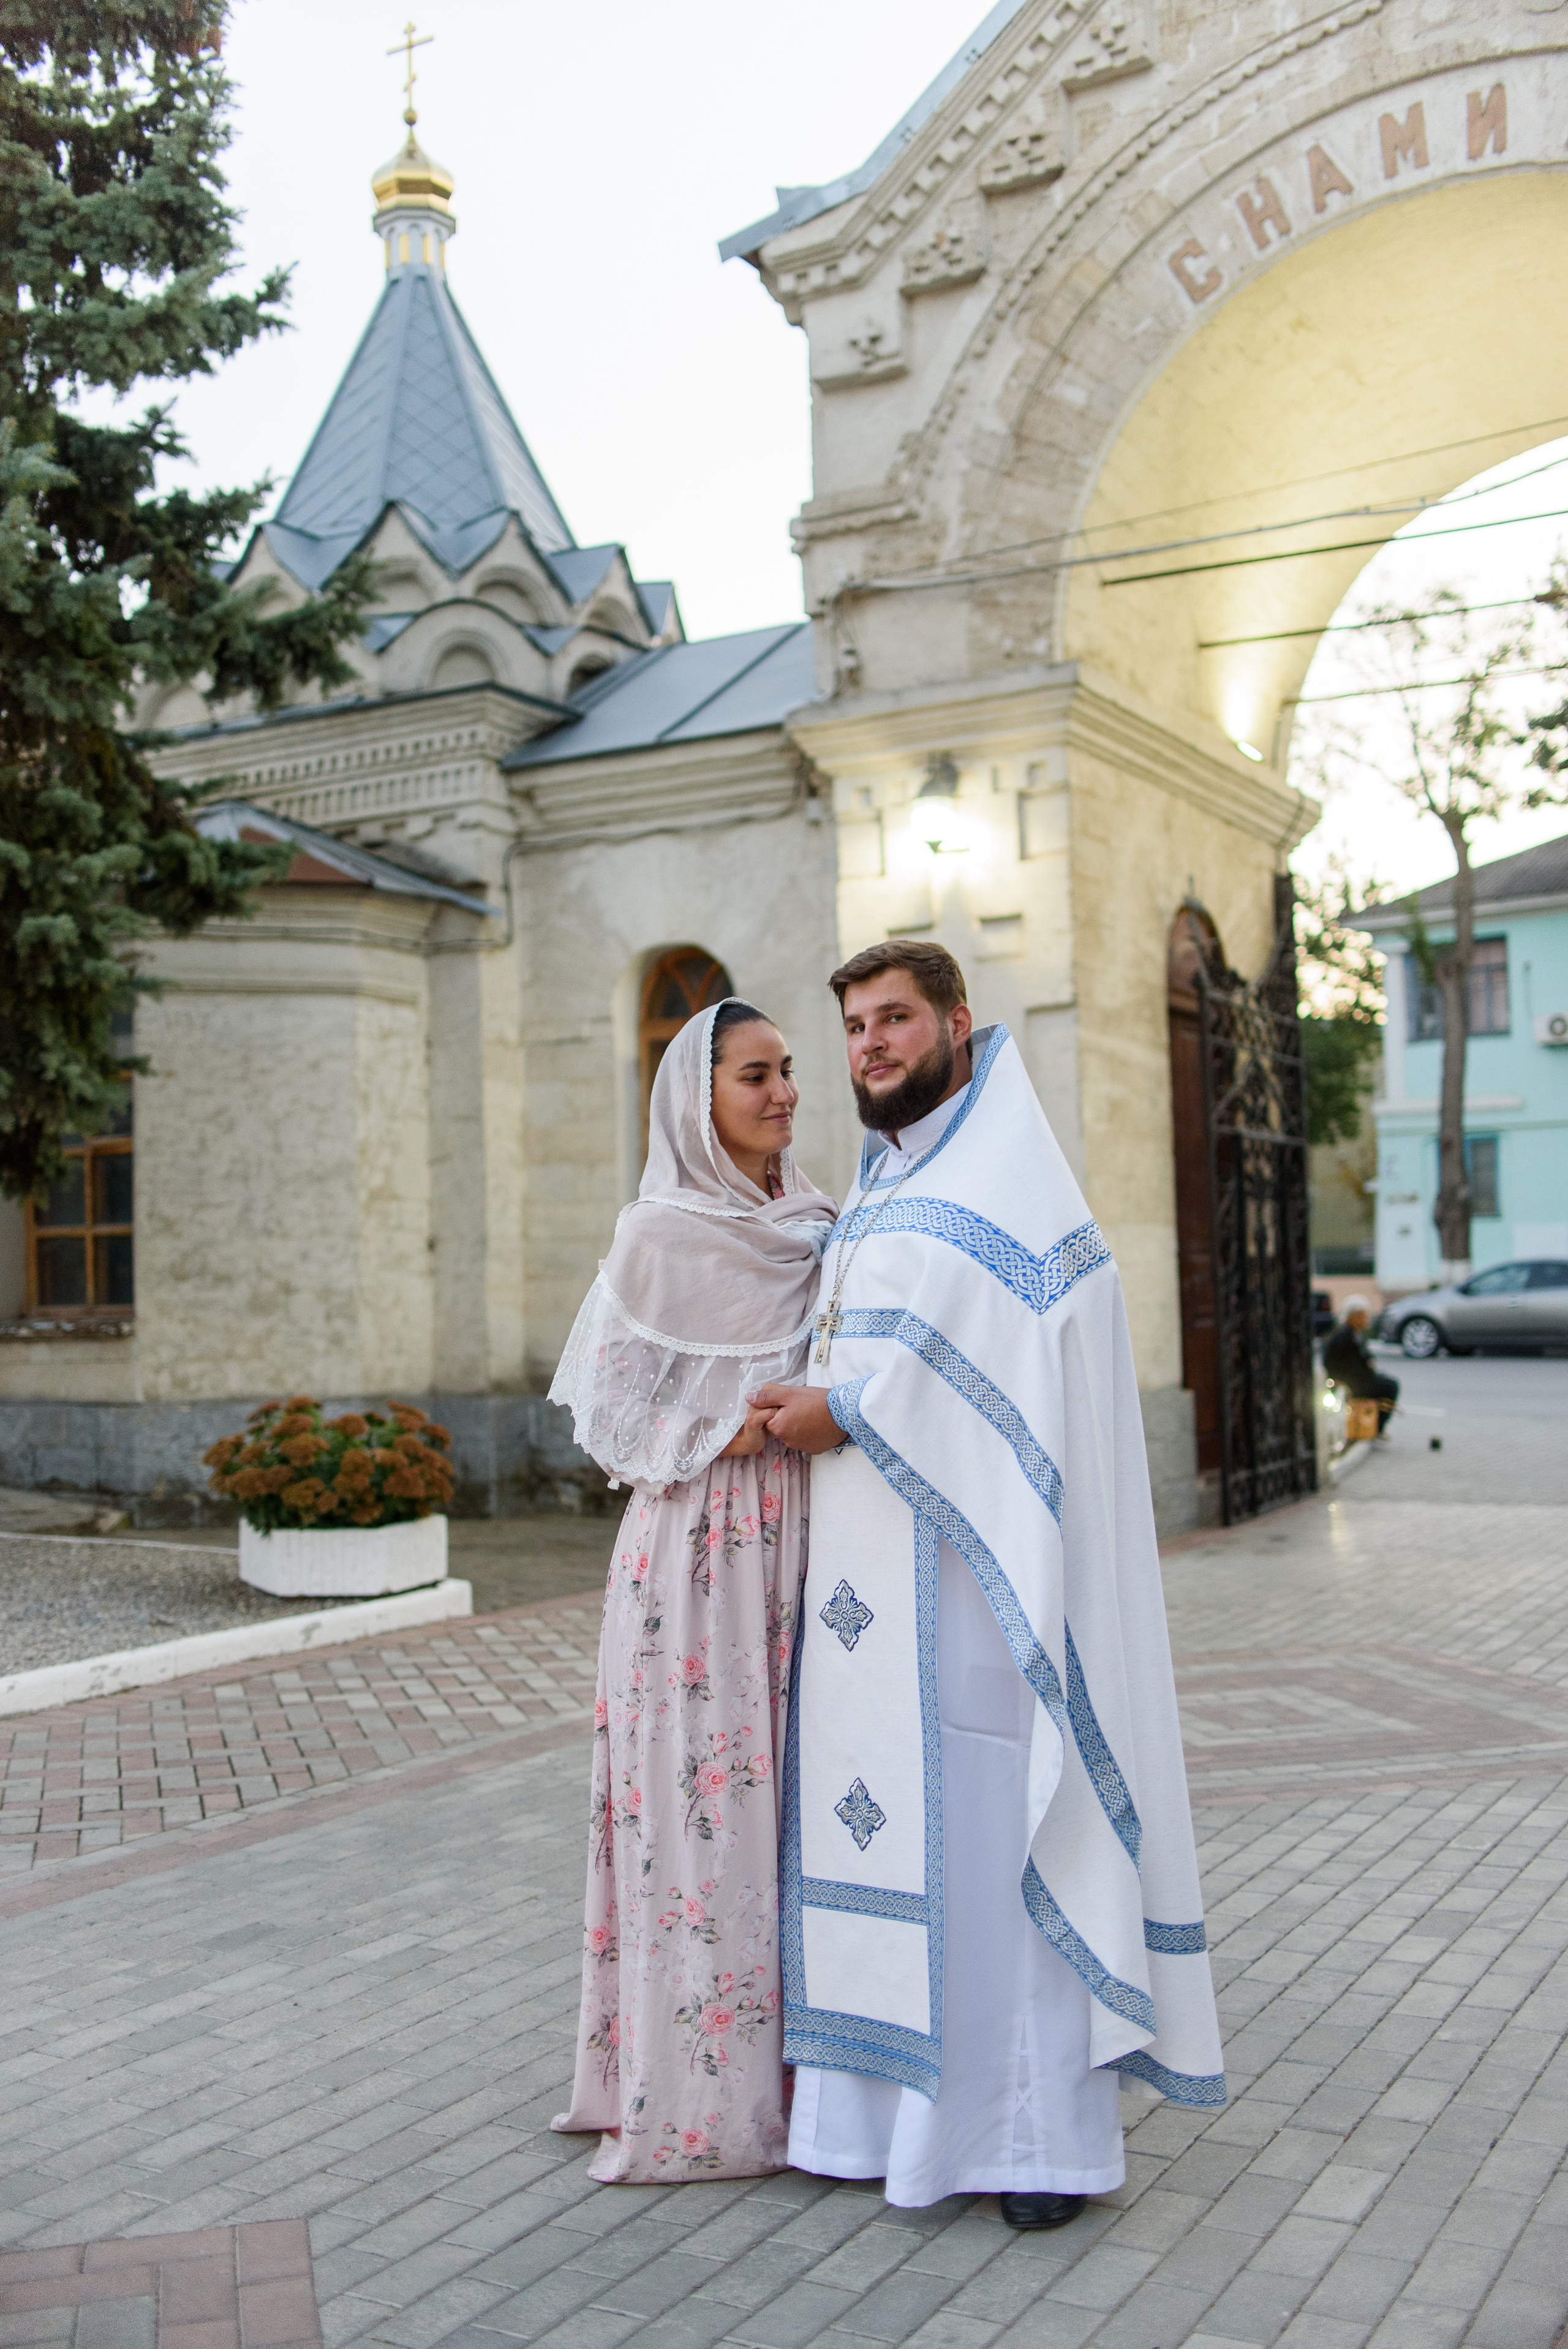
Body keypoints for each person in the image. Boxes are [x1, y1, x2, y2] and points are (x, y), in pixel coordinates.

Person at [753, 940, 1223, 2227]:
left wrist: (843, 1408)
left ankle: (1029, 2141)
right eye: (851, 1026)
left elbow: (1009, 1379)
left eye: (892, 1019)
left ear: (959, 1021)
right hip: (864, 1617)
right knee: (883, 1839)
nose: (868, 1048)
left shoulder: (1013, 1190)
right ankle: (870, 2126)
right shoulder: (883, 1187)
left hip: (981, 1609)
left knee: (998, 1843)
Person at [548, 999, 837, 2182]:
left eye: (787, 1072)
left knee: (804, 1811)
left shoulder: (820, 1219)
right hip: (700, 1556)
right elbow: (612, 1418)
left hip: (814, 1543)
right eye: (755, 1075)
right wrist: (748, 1427)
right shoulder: (657, 1234)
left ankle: (821, 2084)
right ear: (698, 1096)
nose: (782, 1094)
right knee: (706, 1809)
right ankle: (700, 2093)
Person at [1324, 1295, 1398, 1434]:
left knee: (1388, 1384)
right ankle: (1377, 1428)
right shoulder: (1343, 1338)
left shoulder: (1357, 1335)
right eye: (1363, 1316)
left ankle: (1376, 1426)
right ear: (1354, 1317)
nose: (1366, 1320)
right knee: (1390, 1387)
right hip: (1351, 1383)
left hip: (1360, 1379)